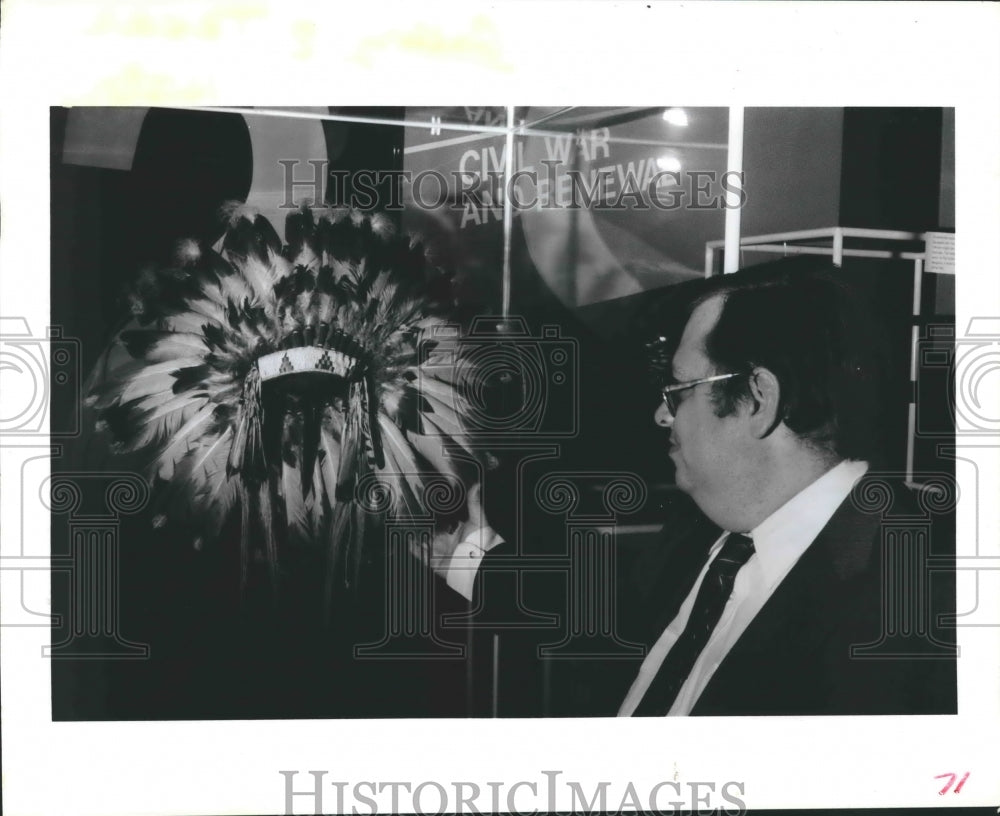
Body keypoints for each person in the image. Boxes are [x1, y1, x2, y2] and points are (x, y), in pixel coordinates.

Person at [430, 264, 956, 716]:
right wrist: (462, 549)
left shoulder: (925, 612)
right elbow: (602, 619)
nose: (661, 413)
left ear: (757, 399)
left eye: (677, 390)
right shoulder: (711, 533)